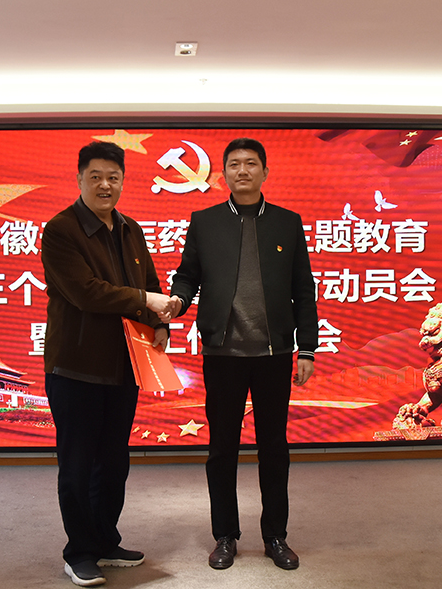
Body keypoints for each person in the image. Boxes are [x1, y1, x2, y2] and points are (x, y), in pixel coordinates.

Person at [165, 137, 318, 571]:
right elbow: (187, 276)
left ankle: (275, 536)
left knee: (274, 447)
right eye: (234, 164)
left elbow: (303, 288)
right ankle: (225, 536)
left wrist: (307, 347)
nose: (243, 170)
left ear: (265, 172)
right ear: (223, 174)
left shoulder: (287, 222)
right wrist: (176, 301)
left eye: (251, 163)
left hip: (273, 354)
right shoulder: (205, 221)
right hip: (222, 353)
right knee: (222, 449)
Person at [41, 141, 171, 587]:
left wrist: (159, 323)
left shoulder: (130, 229)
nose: (104, 185)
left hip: (123, 365)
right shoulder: (60, 230)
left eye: (113, 177)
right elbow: (86, 292)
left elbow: (148, 281)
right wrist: (145, 300)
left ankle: (104, 540)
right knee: (77, 465)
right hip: (75, 368)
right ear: (79, 178)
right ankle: (79, 552)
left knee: (114, 463)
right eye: (95, 176)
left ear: (122, 182)